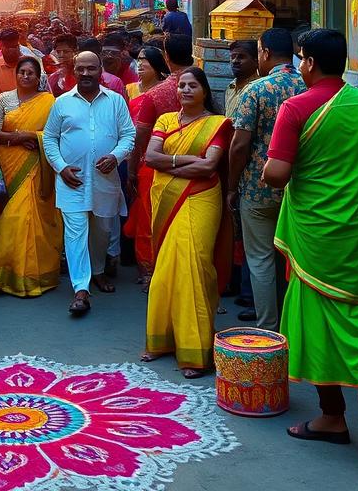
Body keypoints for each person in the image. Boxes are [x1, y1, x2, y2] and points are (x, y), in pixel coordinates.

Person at [263, 28, 358, 483]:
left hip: (311, 234)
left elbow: (277, 173)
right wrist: (357, 190)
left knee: (321, 326)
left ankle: (343, 422)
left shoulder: (296, 107)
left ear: (306, 62)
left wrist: (276, 173)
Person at [141, 67, 232, 374]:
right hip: (167, 197)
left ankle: (197, 349)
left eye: (193, 85)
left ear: (205, 90)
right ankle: (162, 340)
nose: (186, 90)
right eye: (182, 85)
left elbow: (210, 166)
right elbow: (150, 158)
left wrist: (178, 165)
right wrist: (185, 161)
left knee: (194, 264)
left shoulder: (217, 124)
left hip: (202, 197)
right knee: (166, 267)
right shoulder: (166, 120)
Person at [226, 27, 306, 332]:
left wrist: (232, 186)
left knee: (260, 259)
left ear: (265, 53)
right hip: (299, 188)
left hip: (258, 189)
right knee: (294, 257)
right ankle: (294, 325)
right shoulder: (307, 85)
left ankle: (268, 327)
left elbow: (239, 145)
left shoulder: (257, 89)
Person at [43, 52, 135, 316]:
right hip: (72, 180)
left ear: (100, 70)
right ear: (74, 69)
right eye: (80, 68)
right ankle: (81, 289)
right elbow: (50, 139)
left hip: (105, 180)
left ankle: (97, 271)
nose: (85, 73)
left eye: (91, 69)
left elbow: (128, 134)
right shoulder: (62, 103)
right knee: (75, 234)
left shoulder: (116, 101)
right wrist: (60, 168)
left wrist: (116, 156)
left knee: (102, 230)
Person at [0, 57, 61, 297]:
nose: (26, 76)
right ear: (16, 74)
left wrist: (32, 135)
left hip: (36, 163)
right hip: (9, 161)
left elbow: (54, 133)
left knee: (25, 216)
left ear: (38, 76)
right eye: (22, 72)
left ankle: (34, 272)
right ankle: (8, 272)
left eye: (31, 73)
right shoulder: (2, 99)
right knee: (12, 213)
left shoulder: (48, 101)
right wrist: (17, 138)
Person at [123, 46, 172, 284]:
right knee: (142, 215)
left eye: (146, 62)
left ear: (158, 66)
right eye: (138, 61)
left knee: (156, 215)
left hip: (155, 158)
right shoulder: (130, 90)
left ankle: (162, 264)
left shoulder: (164, 93)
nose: (140, 65)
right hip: (132, 156)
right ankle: (145, 267)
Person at [48, 33, 127, 100]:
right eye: (58, 52)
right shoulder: (53, 79)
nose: (61, 56)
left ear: (76, 52)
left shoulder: (110, 81)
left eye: (66, 52)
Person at [0, 28, 27, 94]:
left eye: (14, 46)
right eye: (7, 47)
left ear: (18, 47)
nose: (11, 50)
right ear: (1, 47)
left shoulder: (29, 65)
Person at [224, 40, 259, 119]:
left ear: (256, 60)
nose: (235, 61)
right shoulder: (231, 86)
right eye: (233, 57)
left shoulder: (259, 89)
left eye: (241, 57)